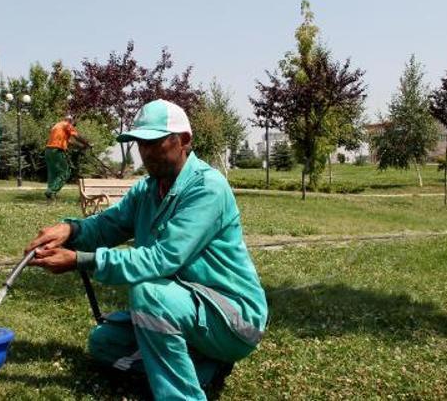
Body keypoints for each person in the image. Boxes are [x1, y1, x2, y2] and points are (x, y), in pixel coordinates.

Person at [26, 99, 268, 400]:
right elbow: (106, 225)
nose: (146, 152)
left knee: (149, 294)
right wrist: (71, 229)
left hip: (232, 318)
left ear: (184, 141)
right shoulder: (148, 189)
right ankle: (205, 368)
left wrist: (79, 260)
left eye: (154, 142)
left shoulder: (208, 188)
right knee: (104, 342)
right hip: (187, 306)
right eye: (141, 143)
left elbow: (162, 259)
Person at [44, 115, 91, 200]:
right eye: (74, 124)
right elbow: (76, 136)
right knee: (65, 172)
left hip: (48, 151)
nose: (74, 126)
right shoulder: (67, 125)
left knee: (53, 174)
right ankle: (51, 191)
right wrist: (87, 143)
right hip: (57, 151)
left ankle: (50, 195)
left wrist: (81, 147)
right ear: (71, 121)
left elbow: (69, 142)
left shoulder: (57, 126)